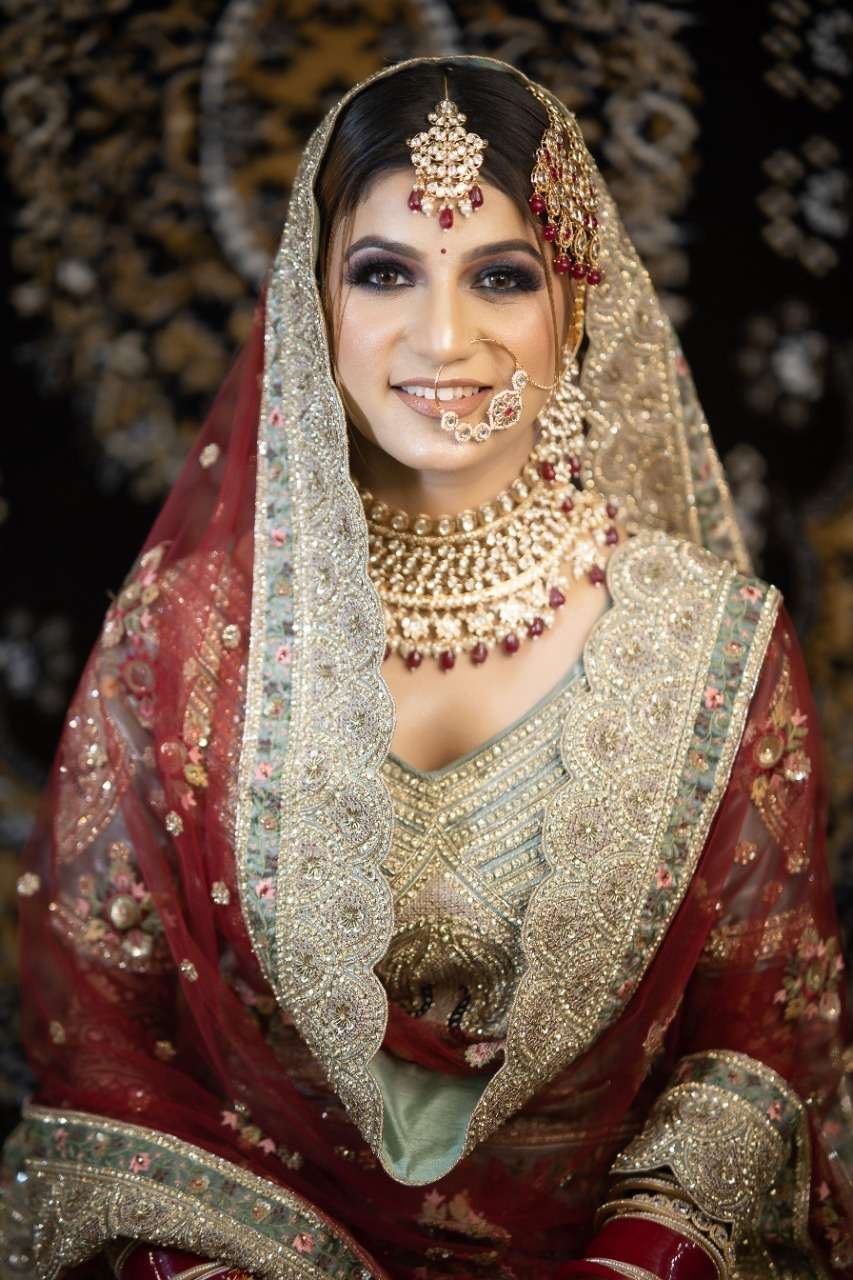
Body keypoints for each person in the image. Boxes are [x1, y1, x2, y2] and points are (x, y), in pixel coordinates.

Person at [1, 55, 851, 1280]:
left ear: (576, 303)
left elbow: (757, 1038)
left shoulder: (705, 642)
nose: (443, 338)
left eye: (500, 276)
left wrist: (635, 1261)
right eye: (383, 272)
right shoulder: (183, 641)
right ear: (311, 303)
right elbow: (103, 1041)